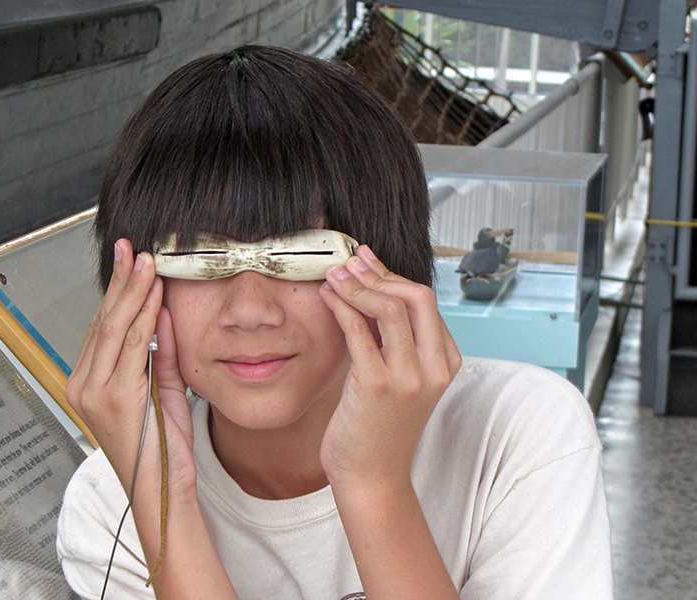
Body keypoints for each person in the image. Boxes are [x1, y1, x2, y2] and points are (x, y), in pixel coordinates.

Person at [57, 45, 612, 599]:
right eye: (199, 256)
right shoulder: (110, 506)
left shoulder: (518, 432)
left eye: (302, 252)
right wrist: (162, 504)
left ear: (387, 262)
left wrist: (373, 486)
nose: (249, 312)